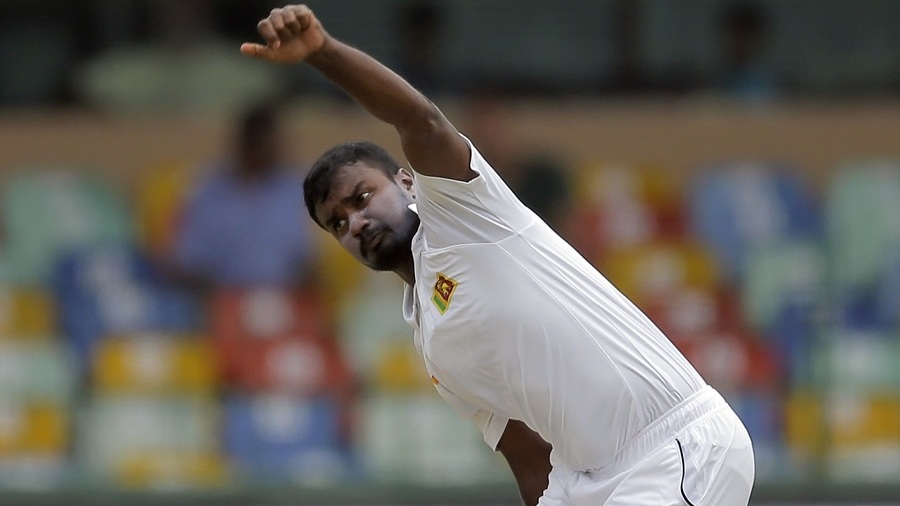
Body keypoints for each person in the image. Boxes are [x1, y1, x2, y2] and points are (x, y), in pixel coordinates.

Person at [241, 5, 755, 505]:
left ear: (407, 182)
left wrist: (324, 53)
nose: (355, 223)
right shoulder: (434, 345)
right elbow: (529, 459)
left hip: (673, 448)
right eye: (337, 223)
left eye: (362, 198)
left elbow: (419, 119)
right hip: (588, 480)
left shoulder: (463, 214)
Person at [170, 101, 316, 289]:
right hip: (222, 294)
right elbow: (187, 260)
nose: (265, 151)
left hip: (285, 293)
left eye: (271, 143)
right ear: (243, 143)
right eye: (257, 144)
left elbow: (311, 258)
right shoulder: (209, 191)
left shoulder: (297, 188)